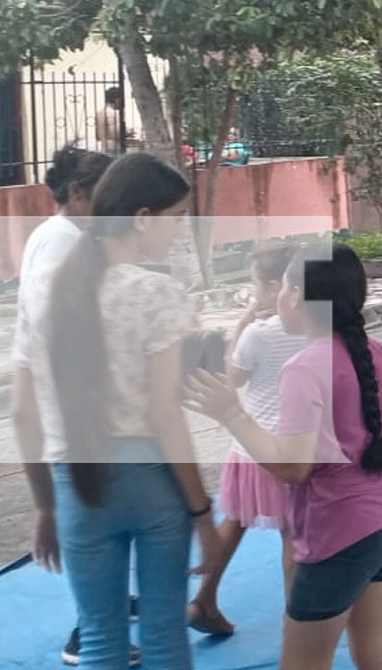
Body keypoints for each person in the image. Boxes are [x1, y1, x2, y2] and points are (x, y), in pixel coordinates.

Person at [15, 153, 221, 670]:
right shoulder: (158, 294)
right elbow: (165, 417)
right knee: (164, 638)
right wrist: (202, 513)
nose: (178, 232)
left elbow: (24, 412)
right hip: (152, 485)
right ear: (143, 216)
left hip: (76, 484)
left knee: (102, 640)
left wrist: (44, 504)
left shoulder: (42, 288)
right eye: (176, 219)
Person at [185, 245, 382, 670]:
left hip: (340, 532)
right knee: (376, 653)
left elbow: (292, 466)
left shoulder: (304, 368)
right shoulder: (371, 351)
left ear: (297, 296)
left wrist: (231, 413)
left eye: (287, 285)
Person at [10, 147, 121, 666]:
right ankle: (88, 630)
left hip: (78, 407)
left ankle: (108, 606)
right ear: (77, 194)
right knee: (90, 521)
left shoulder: (64, 237)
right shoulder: (62, 248)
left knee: (105, 518)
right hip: (74, 411)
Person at [186, 240, 301, 638]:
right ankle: (296, 617)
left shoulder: (258, 333)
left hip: (250, 446)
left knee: (236, 521)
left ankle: (204, 596)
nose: (254, 294)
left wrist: (241, 326)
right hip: (287, 449)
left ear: (275, 287)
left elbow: (231, 379)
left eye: (257, 285)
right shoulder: (313, 328)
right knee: (293, 532)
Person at [94, 87, 129, 152]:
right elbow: (116, 133)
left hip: (103, 147)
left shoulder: (100, 113)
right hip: (114, 148)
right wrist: (127, 132)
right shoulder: (113, 113)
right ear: (116, 100)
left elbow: (97, 136)